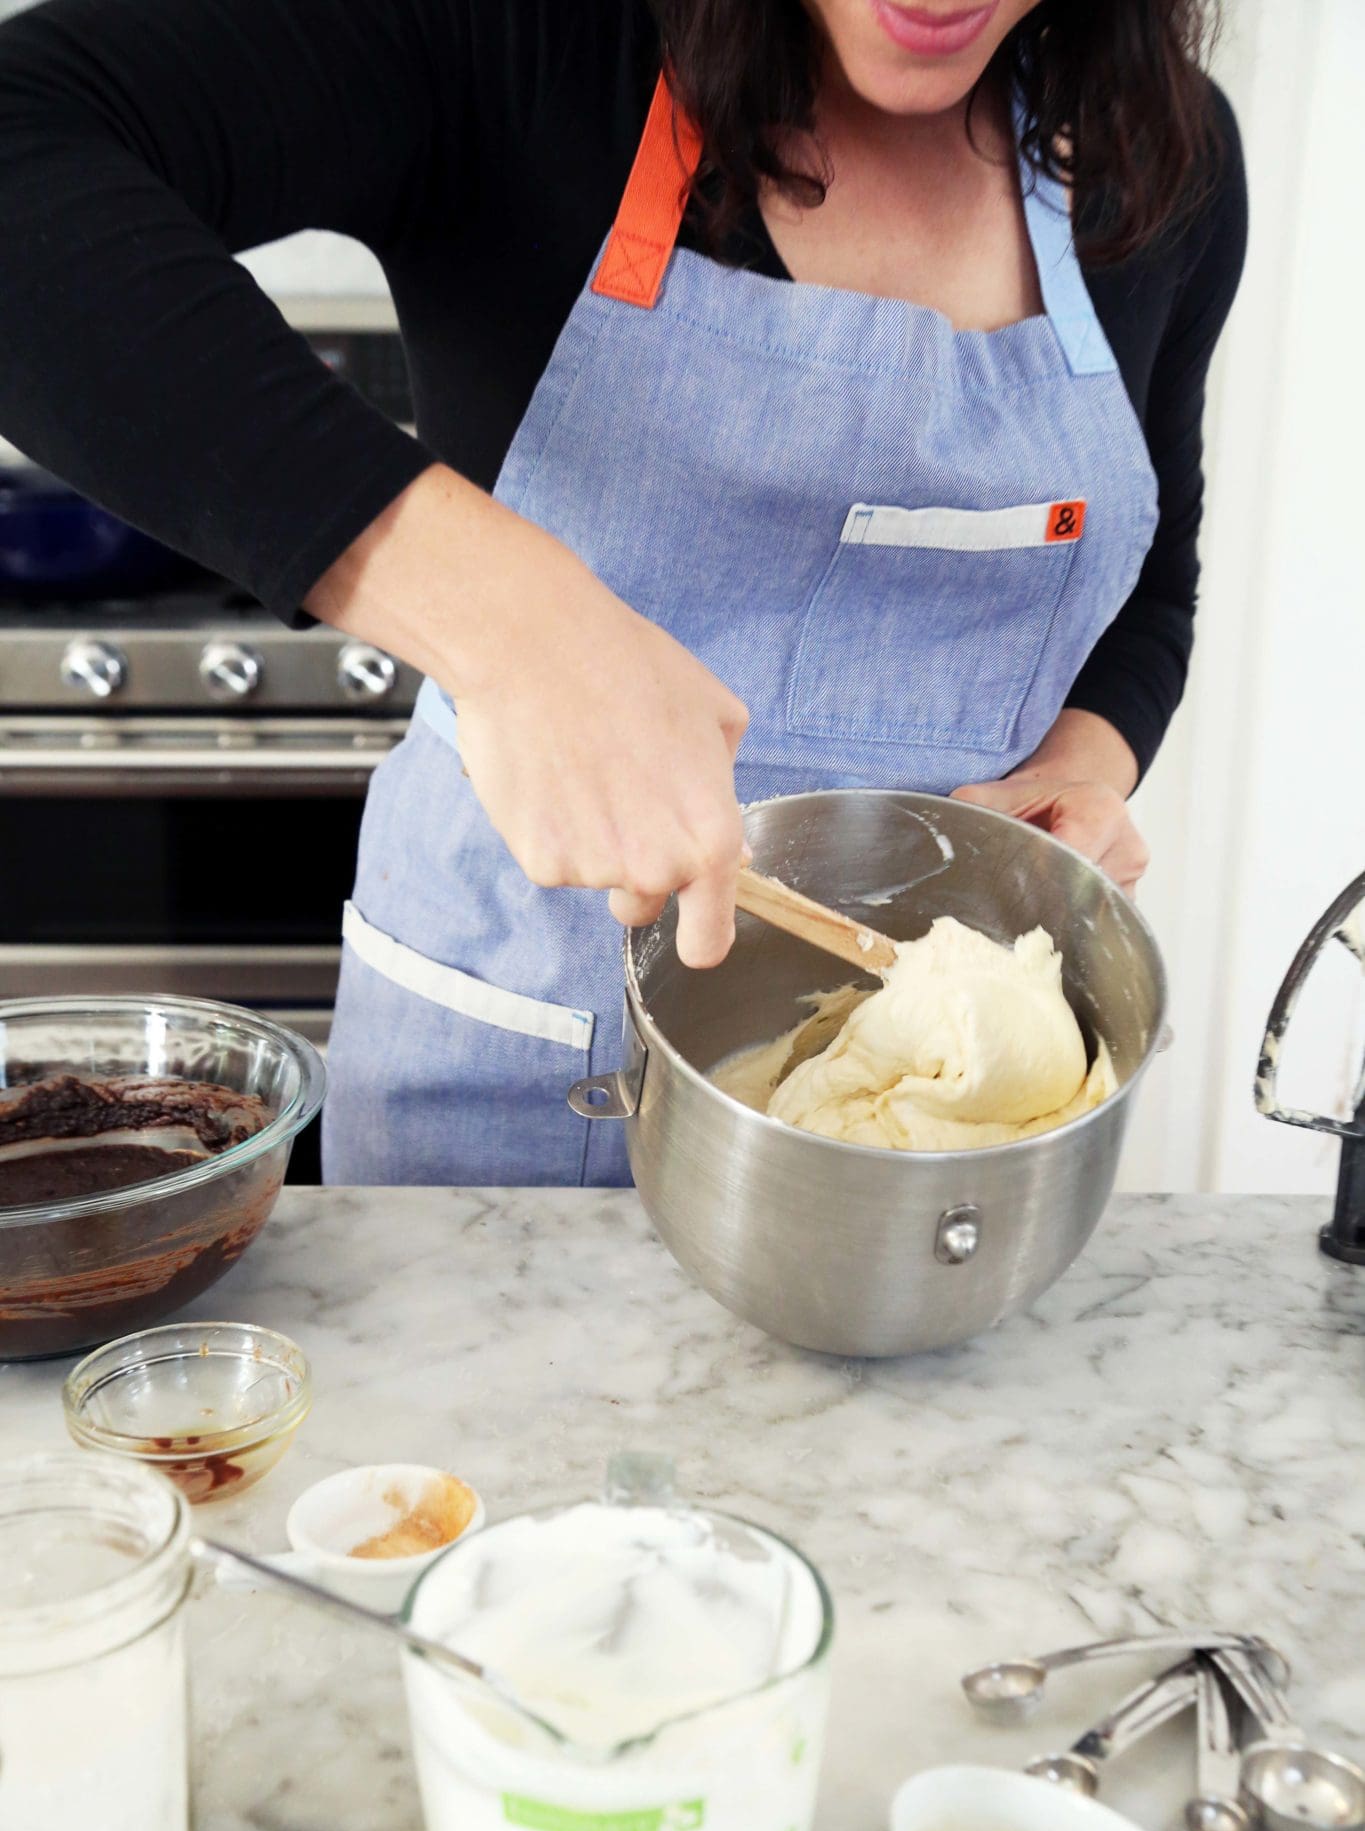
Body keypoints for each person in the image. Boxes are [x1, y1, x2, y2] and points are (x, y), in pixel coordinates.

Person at [0, 0, 1246, 1187]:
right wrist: (507, 622)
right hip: (508, 1085)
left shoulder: (1156, 156)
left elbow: (1153, 582)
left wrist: (1085, 762)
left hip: (931, 1161)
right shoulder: (522, 43)